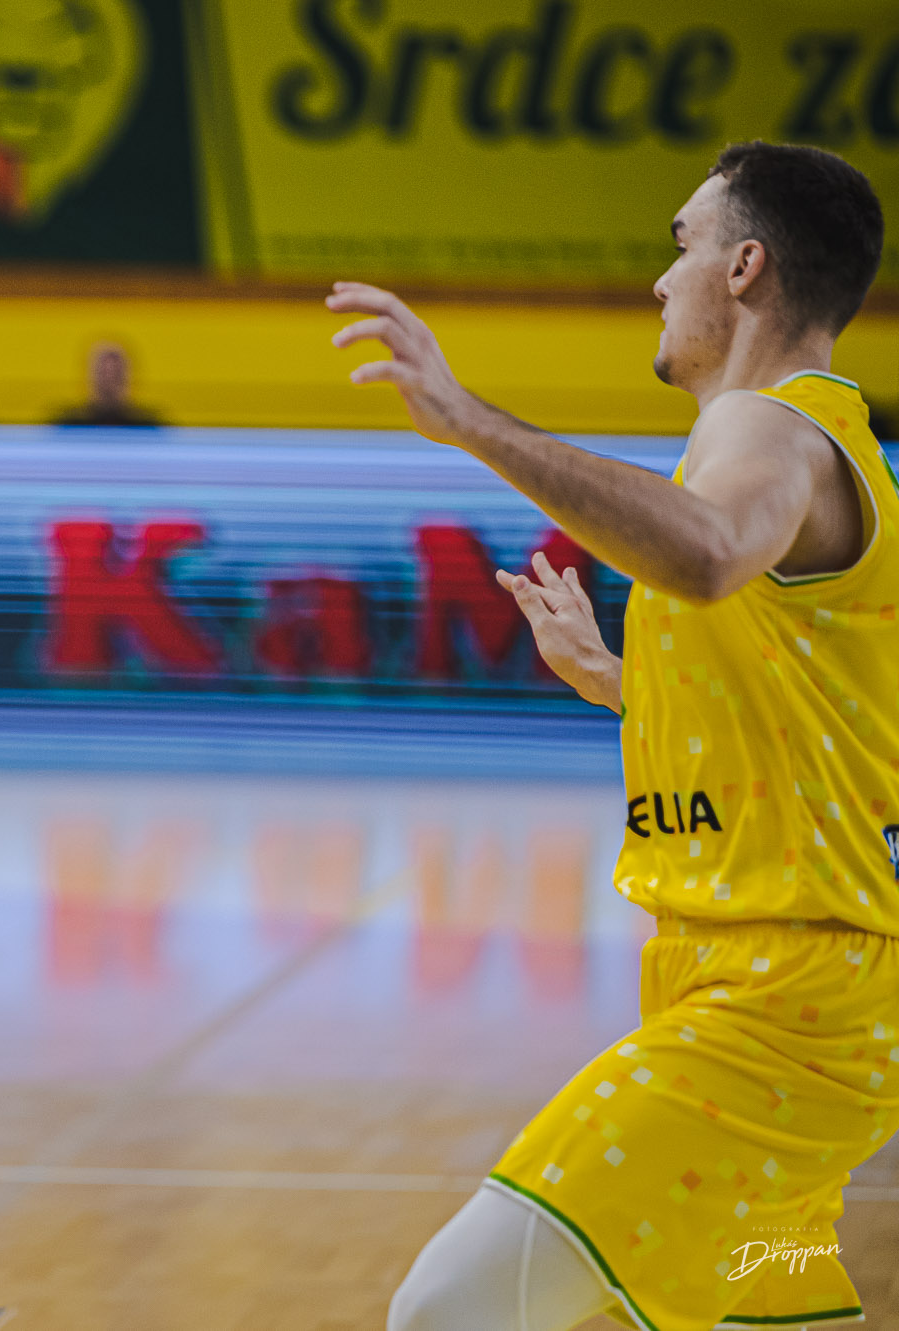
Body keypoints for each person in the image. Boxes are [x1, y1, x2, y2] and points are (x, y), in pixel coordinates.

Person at [333, 143, 894, 1331]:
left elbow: (704, 549)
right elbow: (818, 726)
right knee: (769, 1316)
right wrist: (617, 682)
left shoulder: (771, 430)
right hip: (793, 991)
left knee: (446, 1310)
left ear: (743, 268)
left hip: (778, 1006)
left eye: (680, 243)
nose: (658, 277)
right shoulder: (809, 444)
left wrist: (464, 420)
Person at [53, 339, 161, 427]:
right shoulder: (68, 425)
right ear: (90, 376)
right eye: (103, 372)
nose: (109, 379)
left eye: (117, 373)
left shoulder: (147, 426)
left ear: (128, 378)